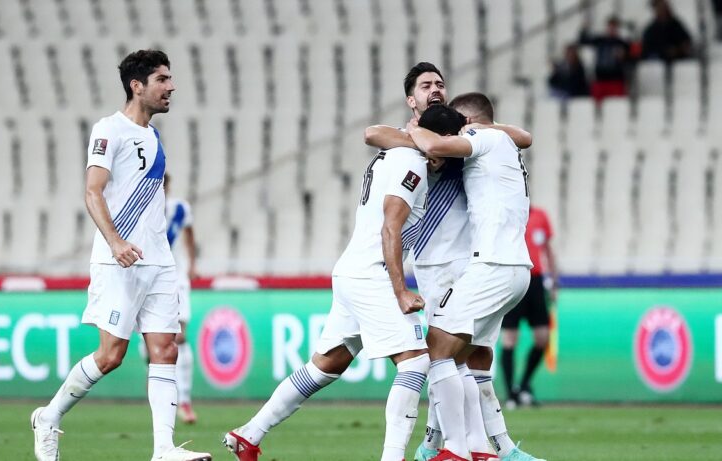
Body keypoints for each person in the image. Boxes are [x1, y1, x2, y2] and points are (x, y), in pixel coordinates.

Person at [222, 103, 466, 461]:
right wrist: (400, 290)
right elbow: (391, 227)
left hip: (352, 270)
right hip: (373, 274)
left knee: (327, 364)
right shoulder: (412, 163)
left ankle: (249, 434)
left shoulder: (393, 154)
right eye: (453, 142)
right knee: (415, 362)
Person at [30, 49, 211, 461]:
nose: (171, 87)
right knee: (111, 355)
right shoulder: (109, 129)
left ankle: (163, 449)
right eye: (162, 79)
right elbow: (92, 191)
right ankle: (48, 417)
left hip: (160, 261)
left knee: (166, 349)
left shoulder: (154, 137)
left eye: (170, 78)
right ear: (137, 86)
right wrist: (115, 242)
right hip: (120, 260)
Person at [366, 65, 543, 461]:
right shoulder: (418, 140)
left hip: (480, 261)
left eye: (440, 84)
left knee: (453, 353)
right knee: (456, 355)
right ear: (411, 98)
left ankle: (456, 447)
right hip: (441, 261)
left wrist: (444, 131)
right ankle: (474, 446)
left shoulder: (465, 136)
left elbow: (522, 135)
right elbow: (373, 133)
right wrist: (415, 134)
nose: (435, 88)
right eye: (426, 85)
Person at [405, 92, 537, 461]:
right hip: (512, 267)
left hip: (493, 265)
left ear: (468, 123)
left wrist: (414, 128)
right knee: (465, 356)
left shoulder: (484, 138)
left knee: (437, 347)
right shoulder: (502, 141)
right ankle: (490, 449)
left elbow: (434, 144)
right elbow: (524, 136)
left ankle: (453, 449)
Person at [501, 205, 558, 410]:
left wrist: (554, 282)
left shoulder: (540, 216)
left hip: (535, 281)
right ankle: (510, 393)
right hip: (513, 277)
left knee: (542, 337)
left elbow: (548, 250)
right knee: (510, 338)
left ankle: (524, 385)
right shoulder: (506, 214)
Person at [164, 172, 199, 423]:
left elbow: (189, 235)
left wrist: (192, 264)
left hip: (176, 278)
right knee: (156, 343)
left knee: (180, 337)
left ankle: (184, 400)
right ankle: (166, 397)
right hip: (149, 281)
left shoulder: (179, 209)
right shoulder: (141, 209)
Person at [578, 15, 631, 102]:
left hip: (616, 80)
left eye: (614, 27)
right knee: (596, 104)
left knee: (618, 103)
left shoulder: (622, 43)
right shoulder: (600, 40)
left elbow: (632, 58)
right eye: (610, 26)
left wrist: (624, 56)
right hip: (600, 79)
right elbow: (583, 41)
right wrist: (584, 29)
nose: (612, 29)